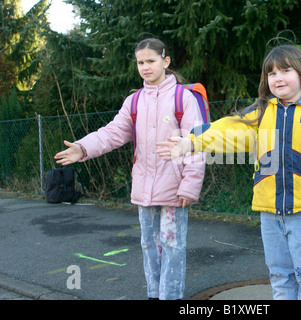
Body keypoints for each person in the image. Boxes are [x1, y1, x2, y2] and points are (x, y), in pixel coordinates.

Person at [156, 44, 301, 300]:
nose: (278, 78)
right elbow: (227, 131)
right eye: (271, 74)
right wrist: (191, 141)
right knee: (280, 277)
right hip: (270, 215)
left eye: (285, 70)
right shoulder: (261, 114)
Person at [54, 38, 205, 300]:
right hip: (144, 187)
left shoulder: (184, 98)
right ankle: (154, 294)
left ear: (165, 62)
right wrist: (83, 147)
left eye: (151, 61)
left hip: (175, 187)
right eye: (140, 62)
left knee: (172, 245)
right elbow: (112, 133)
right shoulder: (134, 101)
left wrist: (190, 186)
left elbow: (198, 143)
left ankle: (171, 296)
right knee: (149, 245)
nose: (145, 67)